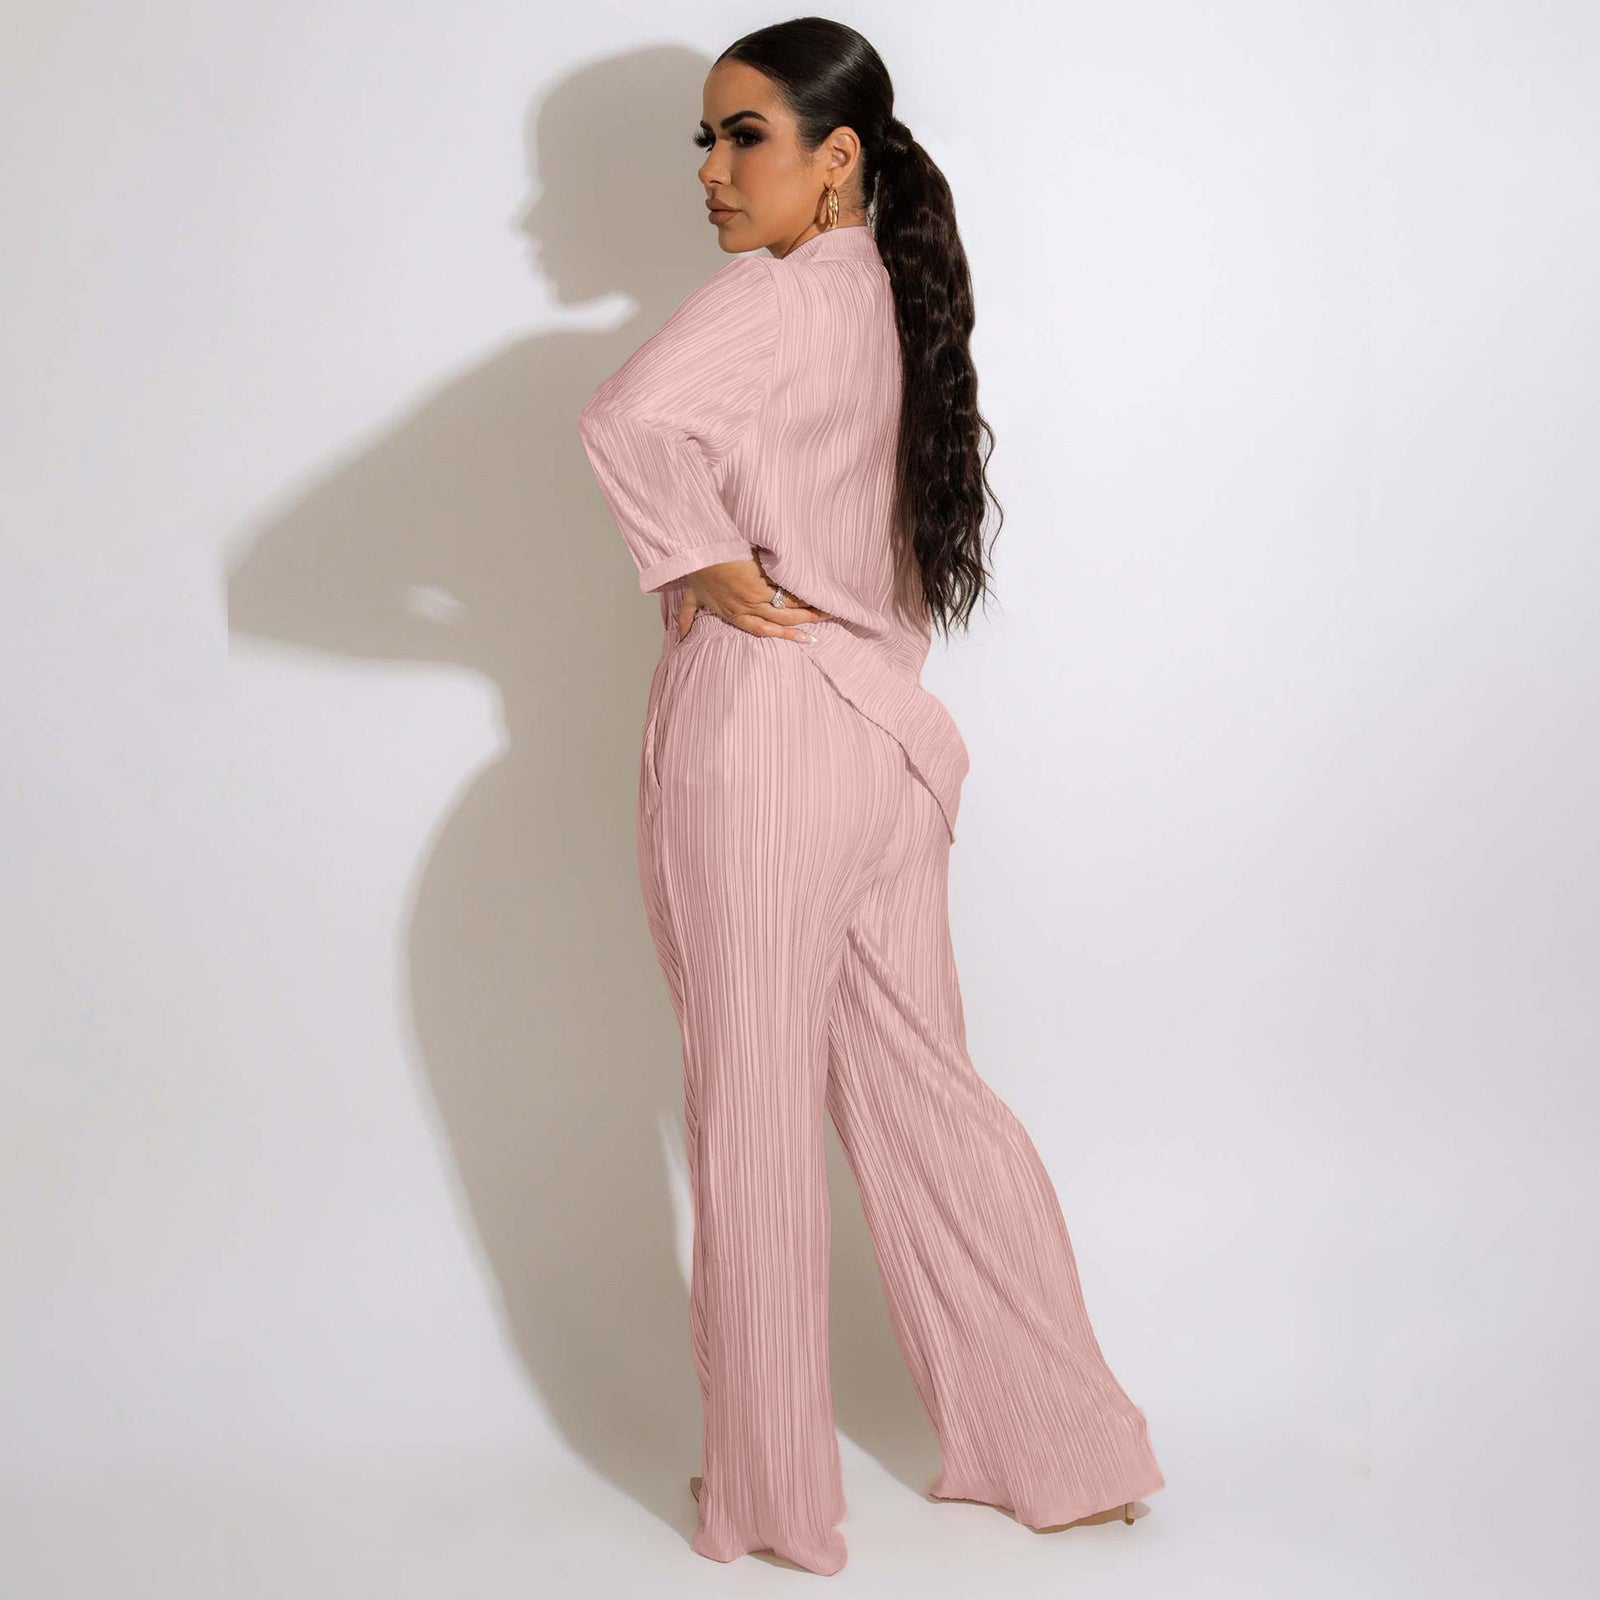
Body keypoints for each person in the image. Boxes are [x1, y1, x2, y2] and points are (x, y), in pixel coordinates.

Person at [576, 17, 1165, 1577]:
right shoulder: (895, 302)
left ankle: (772, 1497)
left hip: (767, 732)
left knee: (754, 1114)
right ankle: (1066, 1449)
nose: (713, 171)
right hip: (886, 747)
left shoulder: (771, 301)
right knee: (928, 1095)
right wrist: (707, 549)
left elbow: (620, 417)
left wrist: (703, 555)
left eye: (745, 136)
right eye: (704, 140)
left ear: (837, 157)